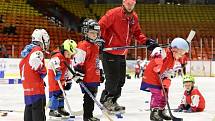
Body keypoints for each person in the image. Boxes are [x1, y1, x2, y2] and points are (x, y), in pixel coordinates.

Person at [98, 0, 159, 113]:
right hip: (110, 52)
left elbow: (137, 33)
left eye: (132, 4)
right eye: (128, 3)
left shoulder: (133, 17)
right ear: (123, 3)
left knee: (121, 80)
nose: (130, 6)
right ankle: (106, 101)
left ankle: (113, 100)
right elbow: (100, 26)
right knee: (113, 79)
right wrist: (100, 39)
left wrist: (146, 42)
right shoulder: (113, 13)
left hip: (122, 53)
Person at [140, 37, 190, 121]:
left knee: (165, 94)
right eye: (181, 53)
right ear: (175, 49)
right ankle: (154, 113)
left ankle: (161, 111)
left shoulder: (173, 59)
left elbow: (169, 70)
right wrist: (158, 63)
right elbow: (156, 51)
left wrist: (168, 78)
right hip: (152, 76)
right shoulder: (165, 52)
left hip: (160, 77)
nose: (182, 55)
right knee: (157, 94)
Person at [72, 18, 103, 121]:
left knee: (92, 97)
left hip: (94, 77)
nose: (94, 35)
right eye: (92, 33)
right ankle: (87, 117)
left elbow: (97, 61)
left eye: (96, 33)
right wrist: (78, 74)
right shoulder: (83, 45)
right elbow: (78, 61)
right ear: (86, 32)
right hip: (87, 78)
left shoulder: (95, 45)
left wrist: (100, 73)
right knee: (88, 98)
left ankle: (90, 115)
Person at [19, 29, 50, 121]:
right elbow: (35, 62)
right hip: (36, 88)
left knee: (29, 108)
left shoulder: (27, 52)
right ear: (42, 39)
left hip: (27, 87)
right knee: (38, 110)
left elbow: (23, 66)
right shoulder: (37, 50)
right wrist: (43, 70)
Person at [48, 39, 77, 118]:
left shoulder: (67, 58)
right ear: (64, 50)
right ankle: (52, 110)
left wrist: (69, 80)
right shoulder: (57, 56)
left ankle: (61, 108)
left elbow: (68, 70)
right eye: (68, 53)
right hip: (54, 79)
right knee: (55, 94)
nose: (70, 55)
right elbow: (52, 63)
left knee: (62, 94)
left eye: (71, 54)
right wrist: (57, 69)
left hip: (62, 80)